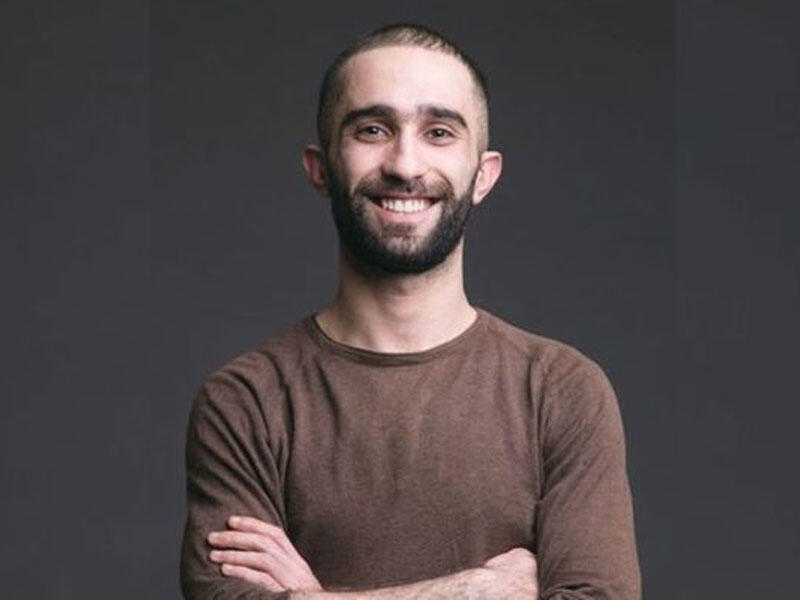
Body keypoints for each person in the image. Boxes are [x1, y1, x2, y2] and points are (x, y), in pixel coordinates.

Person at [180, 23, 641, 600]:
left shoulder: (562, 389)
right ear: (320, 168)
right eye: (372, 129)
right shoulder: (245, 400)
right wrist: (474, 590)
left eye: (439, 132)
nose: (404, 164)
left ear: (483, 175)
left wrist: (315, 598)